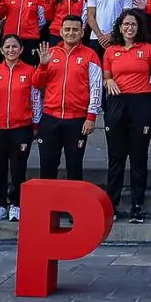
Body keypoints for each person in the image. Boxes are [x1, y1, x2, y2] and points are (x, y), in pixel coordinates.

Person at [101, 9, 151, 222]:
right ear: (120, 27)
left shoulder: (149, 50)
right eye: (126, 24)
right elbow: (106, 75)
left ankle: (137, 206)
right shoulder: (110, 51)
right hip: (117, 103)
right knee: (116, 157)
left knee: (138, 157)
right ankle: (111, 205)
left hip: (140, 102)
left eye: (133, 24)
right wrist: (108, 81)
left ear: (139, 27)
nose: (130, 28)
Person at [0, 32, 40, 221]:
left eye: (15, 46)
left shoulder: (30, 71)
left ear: (21, 49)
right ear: (1, 50)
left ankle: (16, 204)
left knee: (18, 169)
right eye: (7, 47)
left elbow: (36, 99)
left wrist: (35, 124)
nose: (11, 50)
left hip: (21, 127)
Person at [36, 16, 103, 180]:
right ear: (60, 32)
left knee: (74, 166)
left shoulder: (90, 55)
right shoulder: (50, 53)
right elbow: (37, 83)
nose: (71, 33)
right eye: (67, 29)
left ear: (81, 32)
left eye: (75, 29)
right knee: (47, 166)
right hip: (50, 117)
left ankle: (73, 205)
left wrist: (91, 116)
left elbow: (96, 87)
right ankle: (49, 204)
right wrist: (43, 65)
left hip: (77, 120)